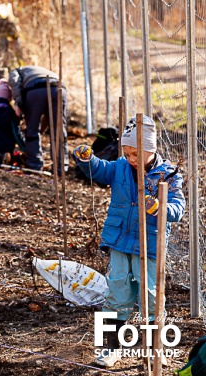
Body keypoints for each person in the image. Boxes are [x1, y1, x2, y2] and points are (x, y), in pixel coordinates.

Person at [74, 115, 185, 368]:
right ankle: (108, 348)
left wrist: (160, 207)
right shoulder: (121, 167)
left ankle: (155, 349)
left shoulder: (167, 175)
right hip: (119, 241)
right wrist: (86, 160)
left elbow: (179, 209)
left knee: (151, 296)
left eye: (136, 153)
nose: (131, 159)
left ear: (151, 149)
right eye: (127, 153)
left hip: (150, 245)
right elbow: (99, 170)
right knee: (116, 293)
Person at [8, 65, 67, 172]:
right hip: (58, 88)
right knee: (58, 129)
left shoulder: (16, 70)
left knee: (32, 129)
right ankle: (61, 167)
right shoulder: (44, 70)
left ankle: (35, 164)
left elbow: (14, 81)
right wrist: (42, 131)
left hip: (34, 90)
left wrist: (18, 102)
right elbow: (49, 119)